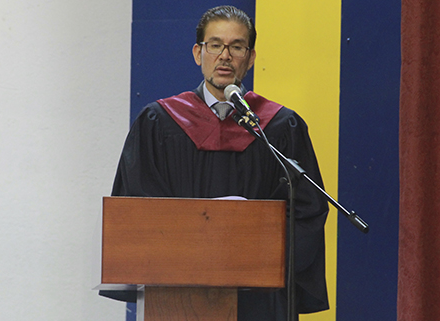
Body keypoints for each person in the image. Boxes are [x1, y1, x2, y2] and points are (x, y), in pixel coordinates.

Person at [100, 5, 329, 321]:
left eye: (237, 46)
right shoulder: (160, 123)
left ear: (250, 58)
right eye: (215, 45)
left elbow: (307, 210)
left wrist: (254, 256)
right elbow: (138, 207)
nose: (225, 55)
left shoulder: (278, 127)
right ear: (198, 53)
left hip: (259, 297)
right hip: (177, 295)